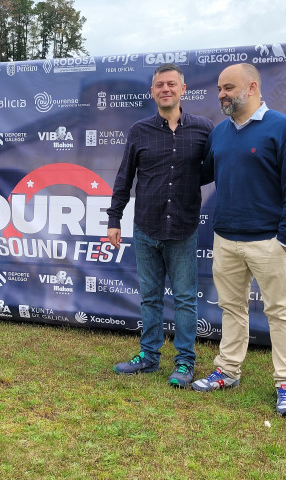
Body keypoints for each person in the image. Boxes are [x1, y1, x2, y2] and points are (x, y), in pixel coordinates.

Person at [192, 63, 286, 417]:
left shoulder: (284, 129)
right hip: (226, 238)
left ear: (253, 87)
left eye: (228, 87)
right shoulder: (220, 133)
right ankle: (228, 370)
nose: (222, 94)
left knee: (281, 312)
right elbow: (202, 174)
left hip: (269, 241)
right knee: (232, 308)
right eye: (219, 89)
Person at [107, 63, 213, 387]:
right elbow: (125, 177)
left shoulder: (204, 129)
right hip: (146, 229)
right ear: (152, 92)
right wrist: (114, 218)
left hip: (182, 229)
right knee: (150, 298)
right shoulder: (139, 130)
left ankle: (184, 363)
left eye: (171, 84)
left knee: (184, 299)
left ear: (183, 89)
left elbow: (209, 171)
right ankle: (149, 357)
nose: (165, 89)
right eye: (159, 85)